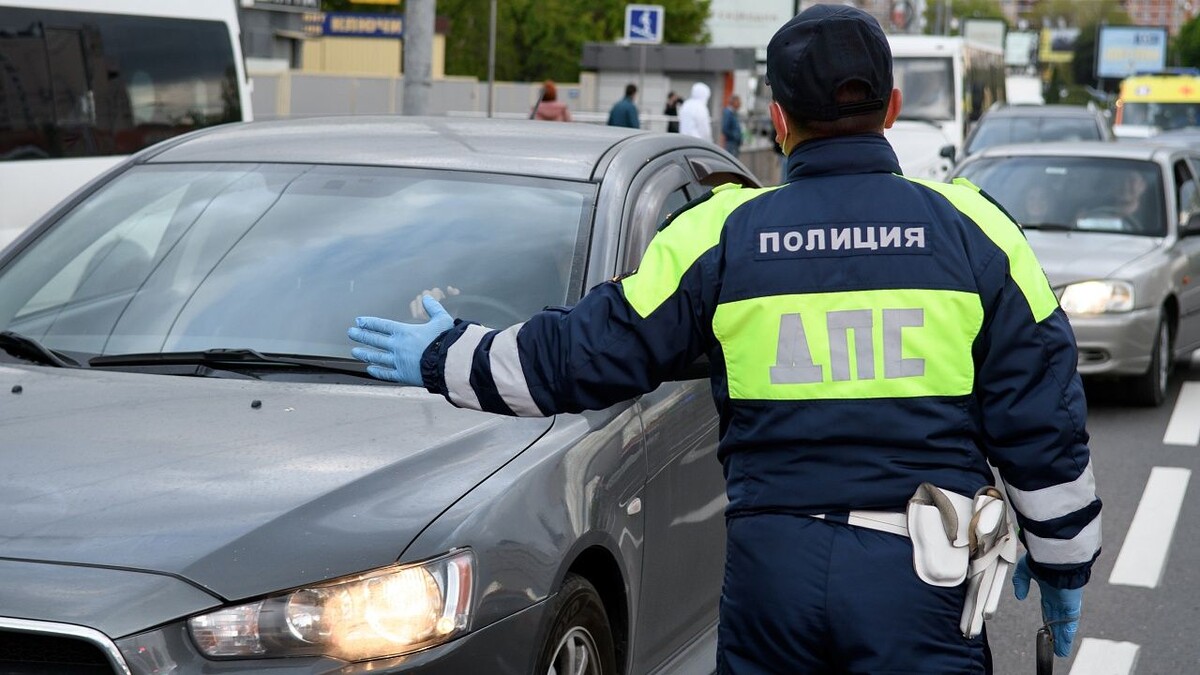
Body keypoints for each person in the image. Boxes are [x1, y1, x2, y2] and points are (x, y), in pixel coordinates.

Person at [347, 5, 1100, 673]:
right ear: (892, 108)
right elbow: (1042, 410)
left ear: (778, 119)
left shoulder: (723, 232)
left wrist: (448, 355)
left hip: (773, 571)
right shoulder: (976, 229)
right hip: (919, 576)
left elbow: (584, 353)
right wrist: (1063, 558)